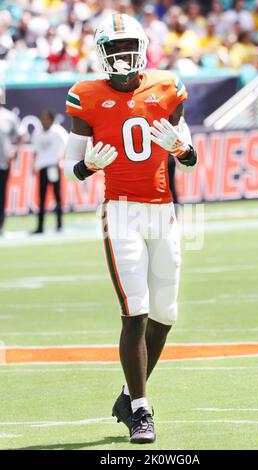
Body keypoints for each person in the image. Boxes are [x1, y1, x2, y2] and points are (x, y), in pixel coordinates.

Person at [64, 13, 197, 444]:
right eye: (114, 49)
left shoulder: (165, 86)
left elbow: (189, 153)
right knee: (134, 309)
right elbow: (72, 167)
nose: (122, 56)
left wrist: (183, 149)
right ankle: (141, 409)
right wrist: (87, 166)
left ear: (141, 47)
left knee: (166, 313)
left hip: (163, 209)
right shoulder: (85, 95)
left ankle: (127, 395)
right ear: (102, 54)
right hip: (120, 210)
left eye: (127, 47)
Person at [31, 109, 68, 234]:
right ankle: (40, 226)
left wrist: (61, 157)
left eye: (46, 118)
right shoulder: (37, 133)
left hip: (53, 166)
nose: (43, 121)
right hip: (42, 167)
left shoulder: (57, 131)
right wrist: (33, 165)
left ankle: (59, 224)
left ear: (51, 119)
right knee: (41, 197)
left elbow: (67, 143)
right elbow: (35, 151)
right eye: (42, 118)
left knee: (57, 196)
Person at [0, 105, 24, 235]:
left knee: (1, 193)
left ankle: (0, 224)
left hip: (2, 162)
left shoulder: (9, 116)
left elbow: (21, 135)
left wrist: (14, 150)